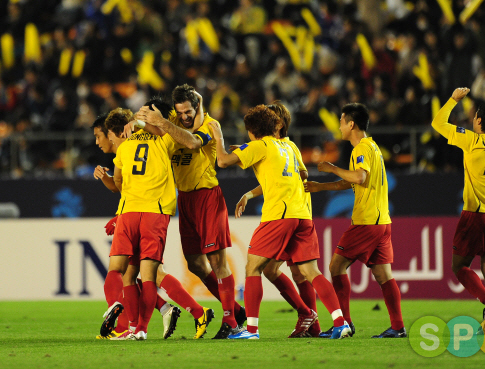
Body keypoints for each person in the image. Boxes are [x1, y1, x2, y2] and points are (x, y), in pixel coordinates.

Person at [209, 105, 351, 339]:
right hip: (302, 214)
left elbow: (223, 161)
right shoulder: (290, 146)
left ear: (252, 131)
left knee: (253, 267)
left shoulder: (259, 146)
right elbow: (302, 175)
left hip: (279, 215)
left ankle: (251, 331)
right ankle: (339, 322)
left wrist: (219, 137)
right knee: (310, 271)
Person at [132, 84, 245, 339]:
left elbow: (193, 143)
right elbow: (152, 124)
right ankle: (236, 311)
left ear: (197, 108)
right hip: (185, 199)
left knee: (217, 262)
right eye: (180, 112)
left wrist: (163, 122)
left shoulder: (208, 126)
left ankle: (232, 323)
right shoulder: (171, 121)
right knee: (195, 263)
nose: (184, 117)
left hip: (207, 196)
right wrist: (138, 119)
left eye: (188, 112)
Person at [92, 113, 211, 340]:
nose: (100, 141)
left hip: (132, 212)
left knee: (128, 274)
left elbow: (119, 183)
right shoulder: (163, 139)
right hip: (154, 212)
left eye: (102, 135)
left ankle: (131, 322)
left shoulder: (126, 148)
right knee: (146, 276)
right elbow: (188, 140)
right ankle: (140, 327)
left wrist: (120, 214)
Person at [304, 103, 406, 338]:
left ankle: (345, 323)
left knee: (335, 267)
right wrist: (321, 186)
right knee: (383, 275)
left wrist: (331, 168)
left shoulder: (360, 149)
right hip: (382, 223)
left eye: (341, 121)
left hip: (366, 221)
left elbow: (358, 177)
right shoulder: (373, 147)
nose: (339, 126)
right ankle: (398, 327)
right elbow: (351, 181)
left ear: (351, 124)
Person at [431, 88, 485, 332]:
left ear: (478, 120)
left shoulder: (471, 140)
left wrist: (453, 100)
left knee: (459, 267)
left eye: (475, 116)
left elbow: (438, 122)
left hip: (477, 215)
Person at [235, 102, 321, 338]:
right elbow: (283, 178)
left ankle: (318, 320)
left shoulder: (279, 145)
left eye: (272, 118)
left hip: (286, 213)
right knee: (275, 270)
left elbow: (296, 177)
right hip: (297, 214)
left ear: (279, 123)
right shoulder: (286, 148)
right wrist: (250, 193)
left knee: (296, 272)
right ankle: (310, 320)